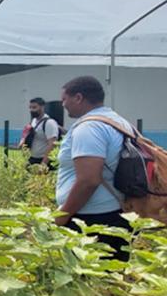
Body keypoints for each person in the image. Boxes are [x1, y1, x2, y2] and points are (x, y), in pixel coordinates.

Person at [55, 75, 133, 261]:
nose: (63, 105)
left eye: (64, 99)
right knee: (110, 281)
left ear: (78, 97)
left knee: (86, 281)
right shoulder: (118, 121)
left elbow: (88, 180)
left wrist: (62, 215)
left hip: (91, 221)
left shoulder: (89, 128)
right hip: (117, 213)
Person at [22, 97, 60, 169]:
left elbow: (52, 144)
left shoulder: (49, 123)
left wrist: (43, 164)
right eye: (30, 107)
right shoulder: (33, 121)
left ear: (42, 107)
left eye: (34, 107)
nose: (31, 110)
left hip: (44, 160)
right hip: (33, 158)